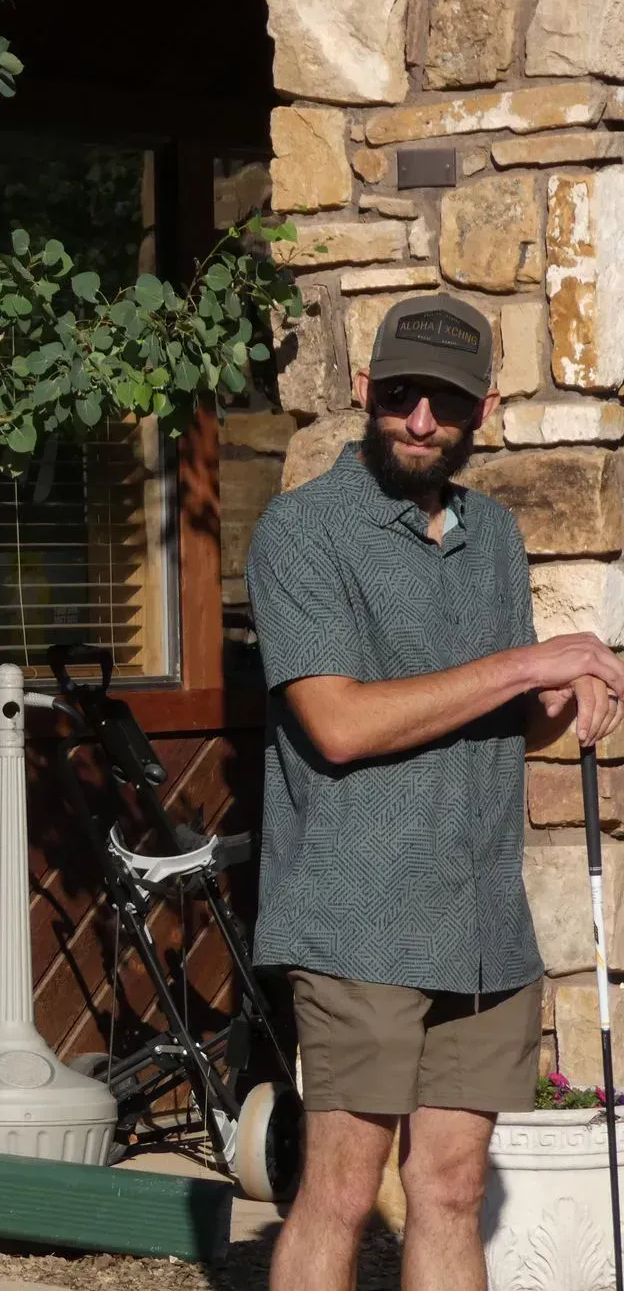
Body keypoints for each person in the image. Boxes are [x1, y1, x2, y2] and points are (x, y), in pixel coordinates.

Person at [247, 292, 624, 1291]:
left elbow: (492, 714)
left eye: (445, 402)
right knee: (342, 1188)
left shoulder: (494, 533)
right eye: (403, 394)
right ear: (366, 390)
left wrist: (565, 695)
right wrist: (522, 665)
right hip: (357, 913)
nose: (421, 420)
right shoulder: (303, 532)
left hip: (483, 923)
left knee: (452, 1188)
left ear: (482, 410)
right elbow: (339, 724)